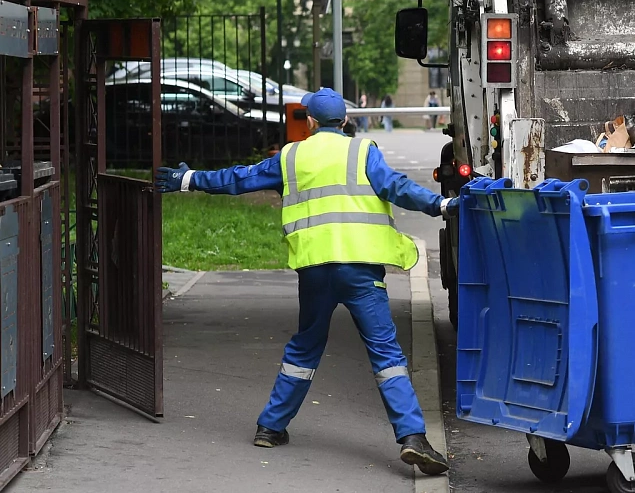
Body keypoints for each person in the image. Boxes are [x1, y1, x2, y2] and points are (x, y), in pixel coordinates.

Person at [154, 87, 455, 475]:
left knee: (305, 348)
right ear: (345, 120)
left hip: (315, 271)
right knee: (386, 355)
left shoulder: (291, 156)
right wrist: (442, 204)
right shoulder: (362, 152)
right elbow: (399, 188)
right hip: (361, 270)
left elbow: (238, 179)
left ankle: (271, 426)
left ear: (309, 122)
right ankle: (412, 438)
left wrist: (187, 179)